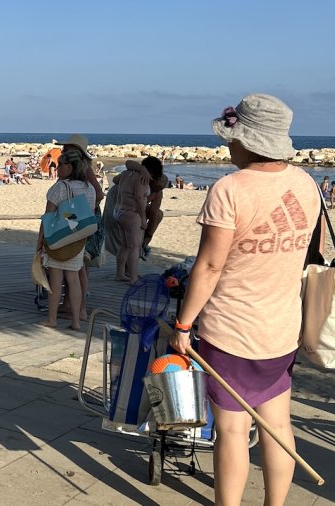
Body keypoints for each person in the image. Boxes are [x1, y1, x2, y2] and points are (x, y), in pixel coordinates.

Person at [171, 94, 318, 505]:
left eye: (231, 138)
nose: (227, 145)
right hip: (282, 326)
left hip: (231, 329)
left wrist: (183, 325)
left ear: (249, 141)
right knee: (278, 425)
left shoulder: (229, 189)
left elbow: (209, 267)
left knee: (233, 431)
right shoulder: (306, 183)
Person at [37, 149, 96, 330]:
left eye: (60, 164)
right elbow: (89, 213)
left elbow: (48, 216)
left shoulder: (60, 188)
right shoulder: (90, 188)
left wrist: (40, 242)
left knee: (56, 279)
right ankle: (76, 321)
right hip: (78, 238)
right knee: (74, 278)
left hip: (59, 236)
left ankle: (52, 319)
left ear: (69, 167)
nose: (57, 166)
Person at [59, 135, 104, 318]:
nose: (63, 150)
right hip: (78, 219)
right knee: (74, 265)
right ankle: (70, 304)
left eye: (66, 148)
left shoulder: (84, 170)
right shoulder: (76, 169)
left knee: (79, 266)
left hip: (81, 221)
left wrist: (78, 213)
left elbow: (99, 194)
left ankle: (81, 308)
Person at [113, 160, 149, 283]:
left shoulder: (126, 174)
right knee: (134, 246)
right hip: (132, 213)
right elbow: (139, 197)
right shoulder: (142, 178)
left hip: (119, 211)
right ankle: (133, 278)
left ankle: (120, 274)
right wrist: (143, 218)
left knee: (124, 245)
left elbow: (115, 180)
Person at [141, 156, 167, 259]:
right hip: (127, 209)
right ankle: (144, 242)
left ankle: (145, 242)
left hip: (140, 209)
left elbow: (154, 212)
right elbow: (135, 202)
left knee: (159, 214)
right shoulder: (140, 181)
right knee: (157, 214)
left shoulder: (156, 190)